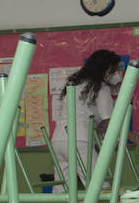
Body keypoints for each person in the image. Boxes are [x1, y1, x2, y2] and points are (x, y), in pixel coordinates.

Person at [50, 49, 123, 187]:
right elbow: (110, 121)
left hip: (58, 140)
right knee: (98, 185)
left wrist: (99, 127)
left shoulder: (76, 84)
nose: (114, 74)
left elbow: (93, 117)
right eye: (113, 69)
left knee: (62, 187)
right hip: (79, 140)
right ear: (106, 69)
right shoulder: (100, 87)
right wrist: (135, 138)